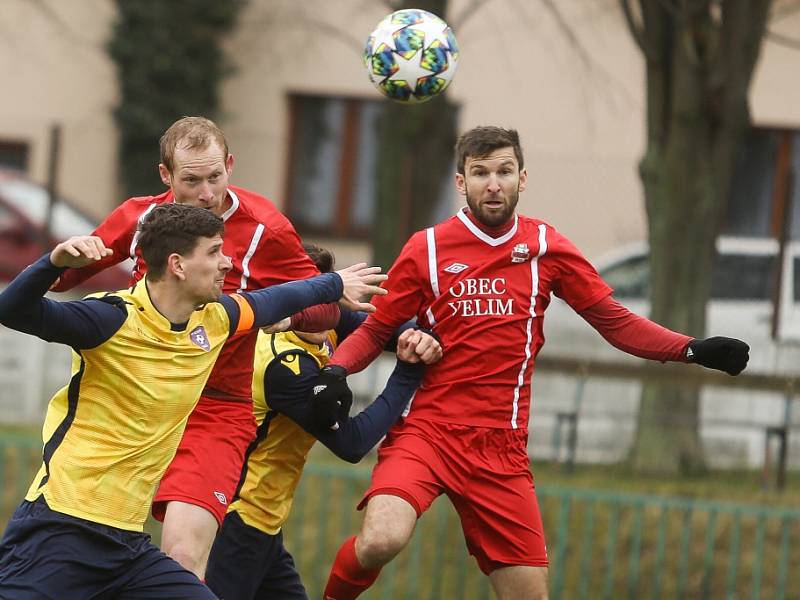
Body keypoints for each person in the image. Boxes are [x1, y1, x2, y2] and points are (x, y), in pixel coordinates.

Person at [311, 126, 751, 600]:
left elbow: (614, 321)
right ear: (461, 182)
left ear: (523, 177)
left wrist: (691, 349)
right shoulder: (428, 249)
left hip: (502, 447)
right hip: (429, 431)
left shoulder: (547, 247)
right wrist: (335, 370)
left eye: (503, 171)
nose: (493, 183)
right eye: (480, 173)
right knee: (381, 538)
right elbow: (377, 328)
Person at [0, 203, 387, 599]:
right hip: (61, 532)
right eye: (215, 252)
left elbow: (281, 297)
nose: (227, 262)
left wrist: (335, 284)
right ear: (178, 265)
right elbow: (11, 309)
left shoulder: (216, 321)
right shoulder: (110, 319)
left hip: (127, 549)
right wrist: (52, 262)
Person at [50, 116, 343, 578]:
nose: (207, 193)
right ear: (166, 177)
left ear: (230, 165)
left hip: (213, 409)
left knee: (183, 561)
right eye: (191, 181)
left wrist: (281, 312)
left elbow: (328, 307)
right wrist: (61, 258)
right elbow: (62, 275)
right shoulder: (141, 218)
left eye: (215, 177)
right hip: (133, 405)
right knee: (82, 560)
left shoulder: (265, 226)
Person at [204, 244, 441, 599]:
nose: (320, 309)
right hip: (236, 521)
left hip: (265, 522)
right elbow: (352, 443)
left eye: (326, 294)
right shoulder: (281, 365)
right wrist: (407, 374)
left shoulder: (327, 322)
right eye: (306, 295)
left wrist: (421, 336)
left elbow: (384, 328)